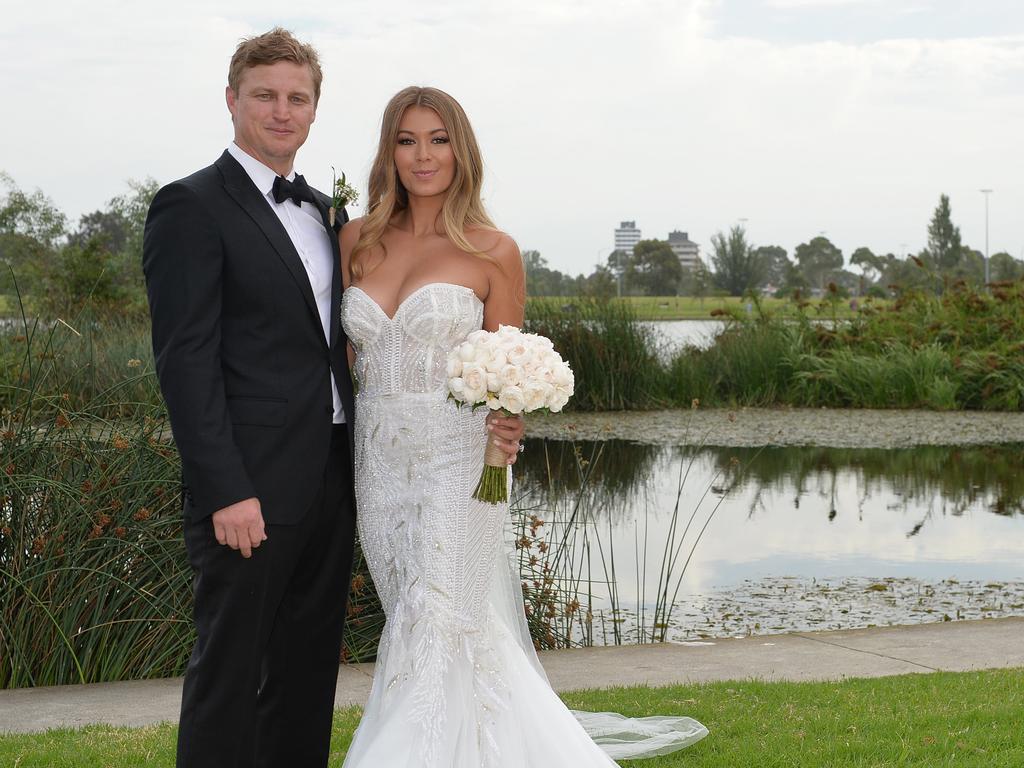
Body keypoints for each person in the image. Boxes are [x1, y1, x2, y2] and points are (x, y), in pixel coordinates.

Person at [142, 31, 523, 768]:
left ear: (315, 109)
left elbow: (355, 354)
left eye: (298, 98)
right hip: (249, 488)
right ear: (232, 100)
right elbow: (184, 362)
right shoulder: (190, 206)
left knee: (308, 667)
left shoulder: (333, 219)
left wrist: (507, 417)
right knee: (228, 665)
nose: (282, 112)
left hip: (343, 478)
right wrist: (225, 489)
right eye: (265, 95)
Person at [338, 86, 708, 767]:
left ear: (462, 151)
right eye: (408, 139)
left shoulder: (492, 250)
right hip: (379, 466)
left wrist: (511, 422)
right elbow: (351, 362)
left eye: (439, 139)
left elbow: (509, 363)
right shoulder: (356, 241)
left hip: (464, 461)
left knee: (440, 620)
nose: (424, 155)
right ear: (389, 151)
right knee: (416, 619)